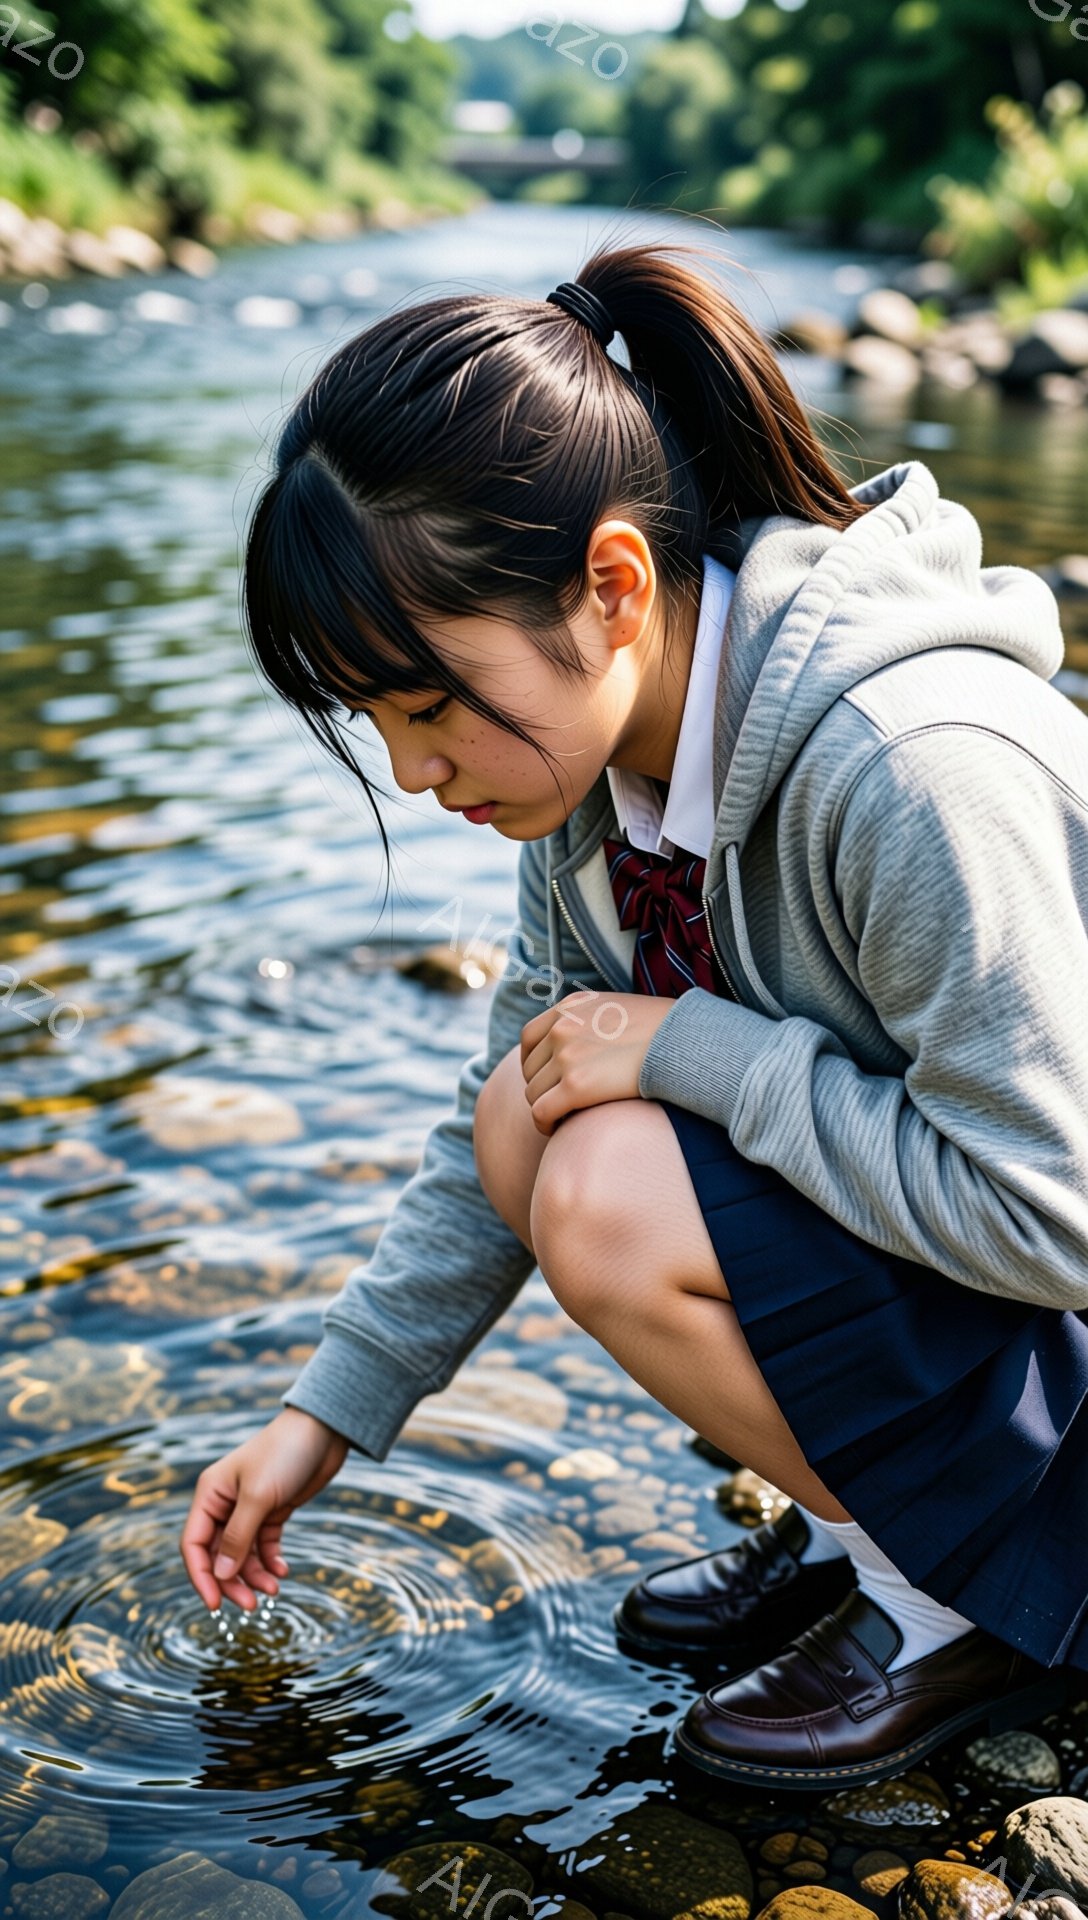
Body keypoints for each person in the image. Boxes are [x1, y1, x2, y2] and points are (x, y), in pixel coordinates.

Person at [180, 238, 1088, 1792]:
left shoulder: (911, 764)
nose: (414, 774)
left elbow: (1054, 1215)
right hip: (1001, 1335)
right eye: (375, 724)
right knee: (528, 1114)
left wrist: (694, 1054)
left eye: (427, 702)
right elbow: (499, 1122)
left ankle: (960, 1601)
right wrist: (325, 1415)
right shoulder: (601, 785)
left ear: (610, 586)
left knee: (604, 1187)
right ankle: (859, 1531)